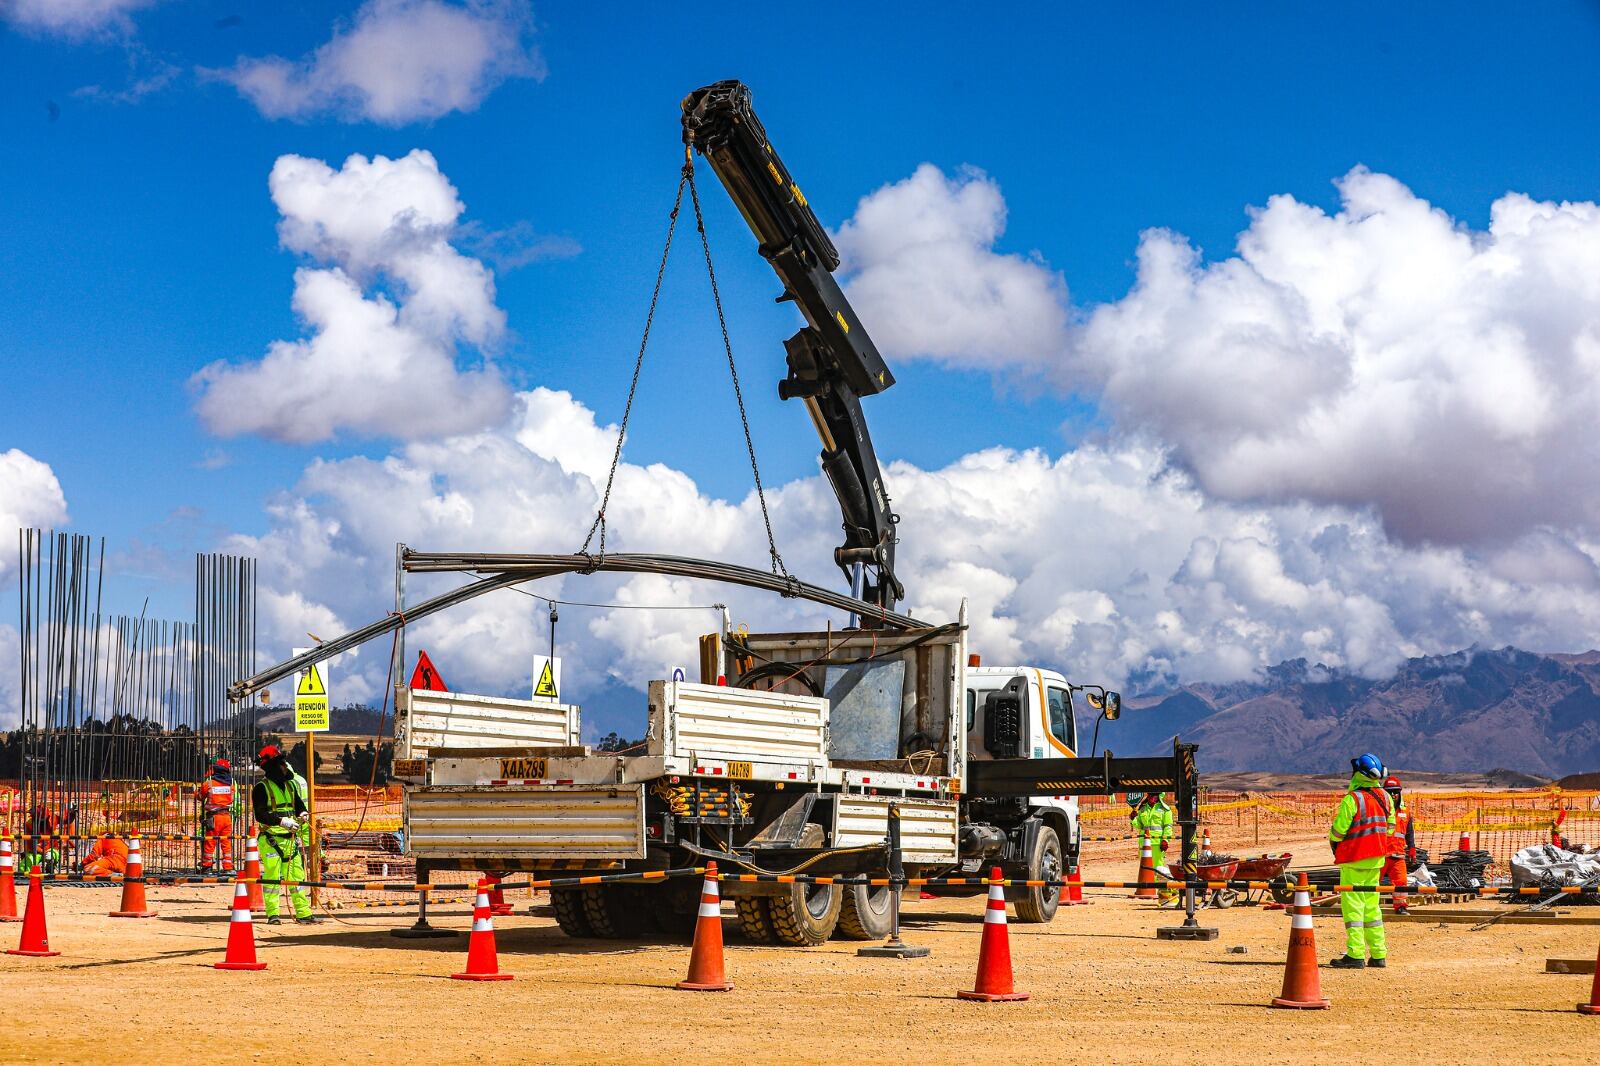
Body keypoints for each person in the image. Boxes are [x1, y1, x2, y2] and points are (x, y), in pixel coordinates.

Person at [1329, 753, 1395, 968]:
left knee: (1354, 909)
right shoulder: (1386, 797)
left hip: (1354, 860)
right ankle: (1378, 954)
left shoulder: (1353, 799)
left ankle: (1355, 954)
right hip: (1376, 860)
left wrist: (1337, 842)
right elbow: (1391, 828)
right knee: (1372, 909)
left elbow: (1338, 832)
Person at [251, 745, 319, 924]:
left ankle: (303, 914)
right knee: (272, 878)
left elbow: (298, 805)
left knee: (296, 878)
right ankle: (273, 914)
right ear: (273, 766)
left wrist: (303, 813)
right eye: (281, 763)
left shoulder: (290, 785)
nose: (284, 767)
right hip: (271, 840)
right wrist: (281, 821)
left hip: (290, 840)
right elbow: (260, 814)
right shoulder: (261, 788)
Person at [1130, 791, 1177, 903]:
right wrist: (1133, 819)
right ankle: (1147, 888)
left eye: (1153, 795)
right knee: (1145, 868)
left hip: (1157, 843)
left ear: (1158, 797)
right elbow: (1140, 826)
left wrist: (1165, 840)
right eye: (1149, 795)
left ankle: (1158, 889)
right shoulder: (1143, 809)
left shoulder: (1165, 809)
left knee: (1157, 867)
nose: (1151, 797)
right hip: (1145, 843)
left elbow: (1168, 826)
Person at [1382, 774, 1414, 916]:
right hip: (1380, 855)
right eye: (1390, 792)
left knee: (1401, 882)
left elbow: (1409, 832)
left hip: (1398, 854)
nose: (1393, 794)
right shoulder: (1379, 811)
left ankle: (1401, 907)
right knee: (1372, 883)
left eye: (1396, 791)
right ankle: (1367, 908)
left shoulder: (1405, 812)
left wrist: (1412, 848)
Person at [197, 758, 236, 872]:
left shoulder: (208, 784)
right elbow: (232, 799)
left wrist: (196, 791)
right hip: (227, 817)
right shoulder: (231, 785)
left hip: (214, 817)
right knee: (226, 842)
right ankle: (228, 868)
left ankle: (207, 866)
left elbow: (200, 797)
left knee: (210, 841)